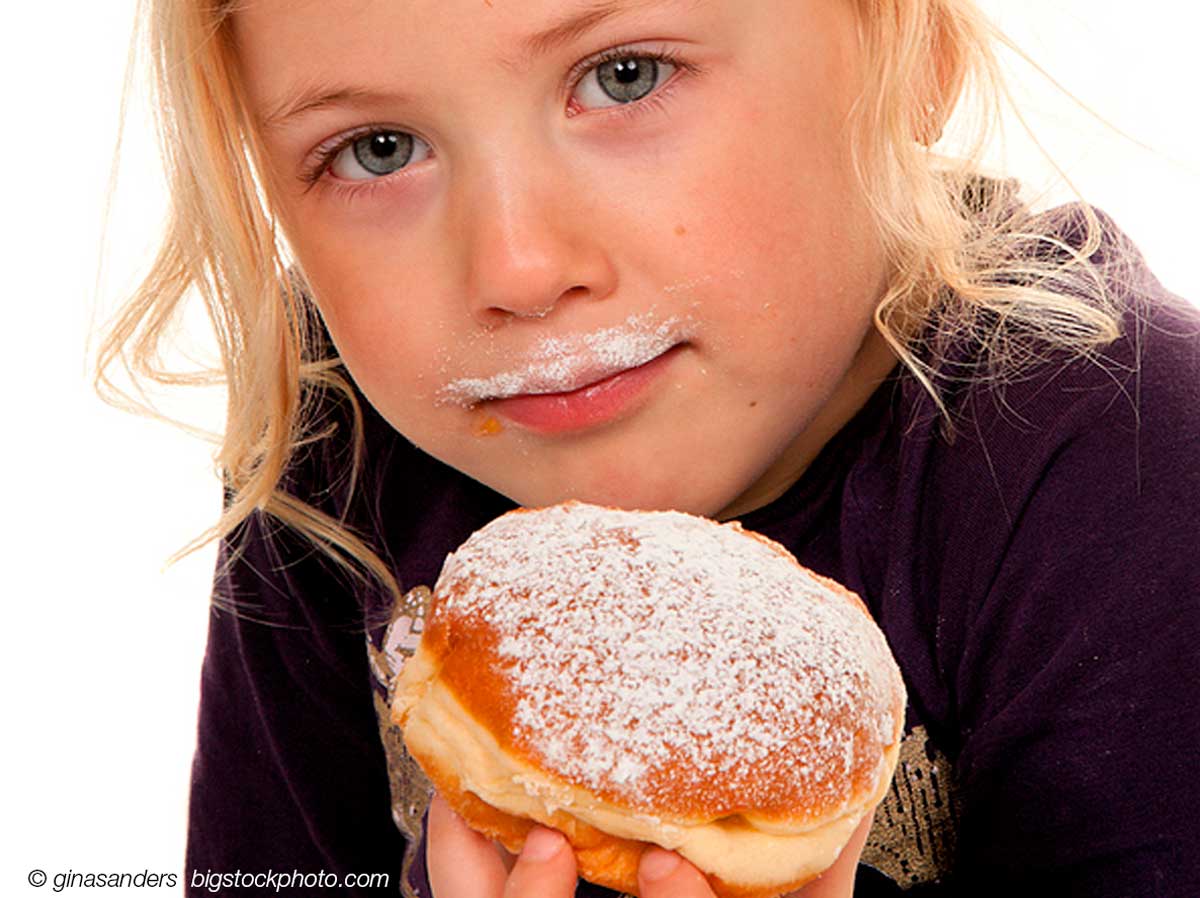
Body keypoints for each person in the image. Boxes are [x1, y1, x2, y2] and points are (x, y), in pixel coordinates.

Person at [96, 0, 1200, 895]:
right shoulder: (331, 441)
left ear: (912, 44)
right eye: (377, 150)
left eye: (625, 77)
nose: (519, 269)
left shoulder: (1130, 471)